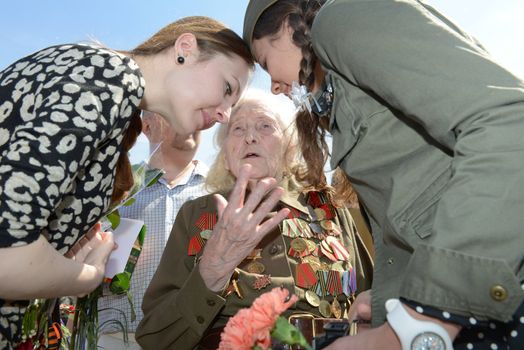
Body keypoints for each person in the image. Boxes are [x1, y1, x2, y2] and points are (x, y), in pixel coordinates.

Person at [242, 0, 524, 349]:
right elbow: (424, 196)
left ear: (288, 24)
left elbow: (508, 126)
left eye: (266, 62)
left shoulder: (338, 20)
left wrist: (415, 327)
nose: (272, 85)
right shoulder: (339, 89)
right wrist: (390, 298)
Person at [0, 15, 254, 349]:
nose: (225, 113)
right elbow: (7, 254)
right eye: (226, 89)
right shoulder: (107, 80)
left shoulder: (110, 95)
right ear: (186, 49)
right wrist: (85, 277)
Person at [135, 90, 374, 349]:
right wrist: (212, 271)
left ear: (289, 145)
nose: (250, 137)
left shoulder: (329, 208)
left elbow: (373, 295)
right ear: (226, 157)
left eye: (265, 126)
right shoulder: (197, 214)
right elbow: (155, 338)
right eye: (237, 129)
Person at [97, 111, 209, 349]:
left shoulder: (220, 192)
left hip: (196, 336)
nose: (188, 118)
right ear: (146, 127)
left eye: (195, 112)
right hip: (118, 337)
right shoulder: (114, 190)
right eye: (174, 110)